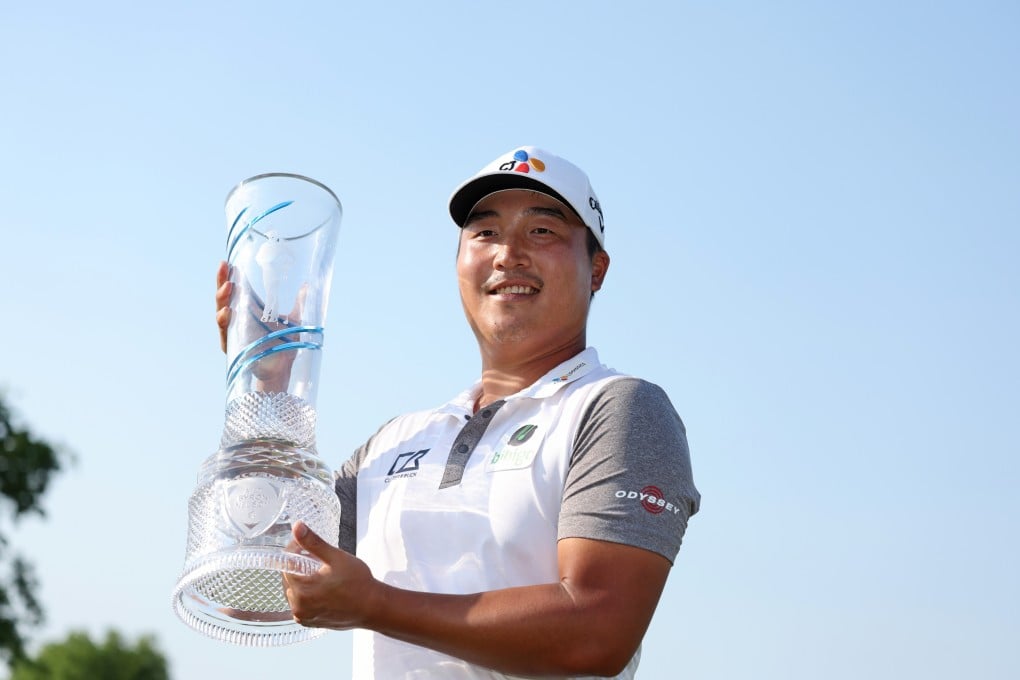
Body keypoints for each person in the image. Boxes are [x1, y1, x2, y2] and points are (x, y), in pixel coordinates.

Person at [215, 146, 700, 679]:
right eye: (485, 232)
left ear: (597, 269)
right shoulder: (392, 443)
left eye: (542, 231)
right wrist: (271, 384)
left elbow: (597, 632)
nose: (508, 253)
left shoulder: (618, 409)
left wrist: (375, 604)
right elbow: (254, 591)